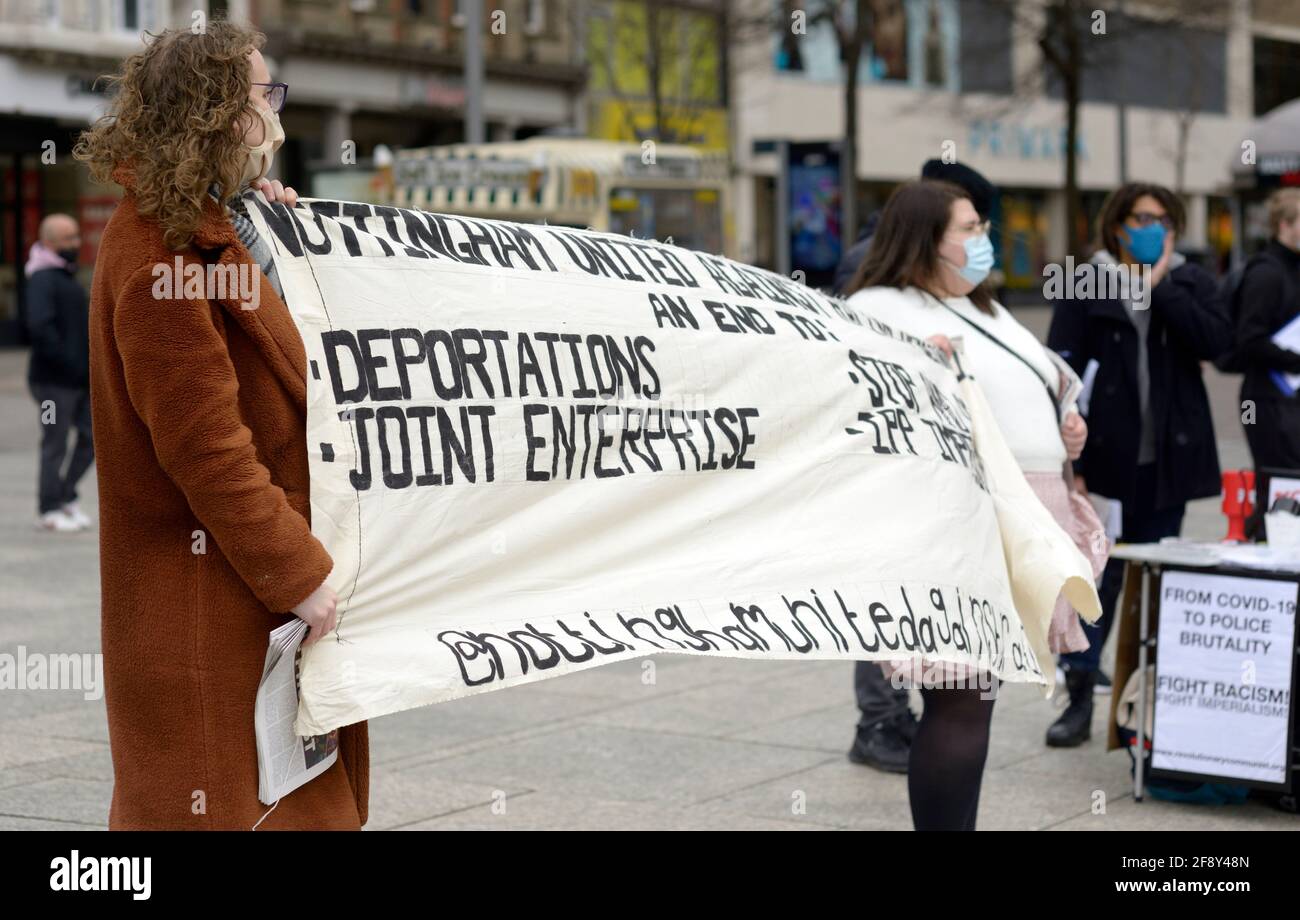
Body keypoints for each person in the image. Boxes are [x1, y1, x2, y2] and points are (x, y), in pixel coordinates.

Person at [74, 22, 368, 829]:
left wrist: (276, 243)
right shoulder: (158, 254)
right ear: (215, 114)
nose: (275, 114)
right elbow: (207, 451)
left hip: (244, 602)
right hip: (209, 606)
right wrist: (299, 573)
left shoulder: (214, 226)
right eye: (262, 96)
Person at [843, 180, 1105, 830]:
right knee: (959, 694)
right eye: (969, 228)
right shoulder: (881, 305)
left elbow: (1048, 377)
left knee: (975, 697)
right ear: (925, 237)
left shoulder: (988, 309)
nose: (983, 240)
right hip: (959, 517)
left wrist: (1066, 419)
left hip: (1024, 508)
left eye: (984, 227)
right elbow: (860, 394)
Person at [1047, 182, 1232, 746]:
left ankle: (1143, 707)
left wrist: (1161, 288)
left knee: (1158, 583)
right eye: (1140, 218)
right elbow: (1060, 368)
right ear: (1118, 225)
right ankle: (1080, 696)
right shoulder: (1086, 282)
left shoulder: (1190, 280)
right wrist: (1067, 456)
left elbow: (1220, 345)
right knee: (1096, 581)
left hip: (1168, 461)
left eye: (1161, 219)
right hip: (1106, 461)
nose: (1150, 228)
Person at [840, 160, 997, 774]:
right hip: (899, 488)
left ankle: (891, 714)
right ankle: (879, 718)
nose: (982, 239)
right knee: (889, 609)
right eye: (972, 226)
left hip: (941, 494)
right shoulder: (875, 283)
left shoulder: (955, 290)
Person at [25, 214, 94, 533]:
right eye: (68, 239)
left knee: (91, 438)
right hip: (53, 382)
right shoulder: (41, 277)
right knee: (55, 442)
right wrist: (68, 363)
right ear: (49, 241)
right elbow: (39, 328)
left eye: (77, 237)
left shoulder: (65, 275)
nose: (75, 244)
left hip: (78, 379)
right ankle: (48, 508)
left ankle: (66, 496)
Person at [1230, 188, 1300, 473]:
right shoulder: (1266, 273)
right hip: (1267, 401)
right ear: (1284, 225)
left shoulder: (1291, 269)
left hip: (1286, 398)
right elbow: (1249, 339)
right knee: (1278, 489)